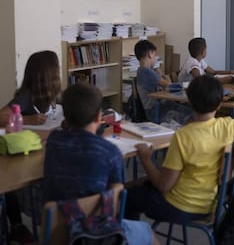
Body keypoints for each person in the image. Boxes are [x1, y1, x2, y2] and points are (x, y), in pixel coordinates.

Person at [125, 75, 234, 223]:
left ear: (189, 101)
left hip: (180, 208)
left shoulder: (183, 136)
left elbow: (164, 186)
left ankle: (138, 235)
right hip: (214, 204)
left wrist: (146, 160)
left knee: (127, 196)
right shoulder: (232, 126)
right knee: (140, 185)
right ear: (220, 104)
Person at [43, 83, 159, 245]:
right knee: (147, 232)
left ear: (66, 118)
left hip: (57, 234)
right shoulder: (110, 152)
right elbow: (116, 203)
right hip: (100, 233)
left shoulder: (54, 141)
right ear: (99, 118)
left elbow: (58, 134)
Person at [0, 50, 61, 244]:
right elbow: (1, 115)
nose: (58, 73)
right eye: (56, 69)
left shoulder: (52, 95)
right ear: (45, 74)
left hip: (40, 151)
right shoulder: (27, 96)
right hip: (20, 156)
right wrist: (28, 119)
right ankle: (17, 225)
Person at [134, 39, 193, 125]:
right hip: (157, 111)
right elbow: (169, 86)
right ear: (150, 54)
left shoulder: (144, 71)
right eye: (155, 55)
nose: (155, 58)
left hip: (164, 106)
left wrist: (161, 76)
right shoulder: (146, 72)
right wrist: (165, 77)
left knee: (193, 112)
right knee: (191, 116)